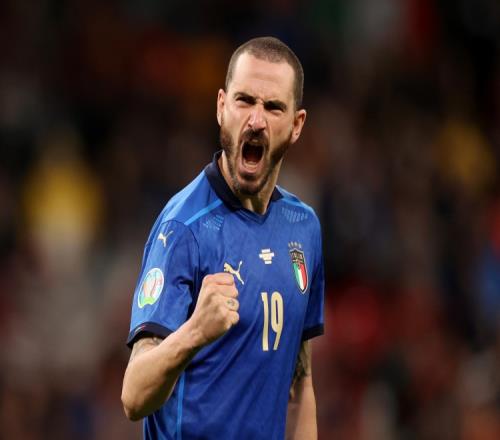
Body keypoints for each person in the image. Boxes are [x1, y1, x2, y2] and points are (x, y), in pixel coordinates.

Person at [121, 36, 325, 440]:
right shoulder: (183, 228)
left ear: (296, 125)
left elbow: (299, 385)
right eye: (244, 101)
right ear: (221, 107)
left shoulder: (303, 228)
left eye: (273, 107)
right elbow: (134, 396)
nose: (256, 120)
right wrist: (195, 331)